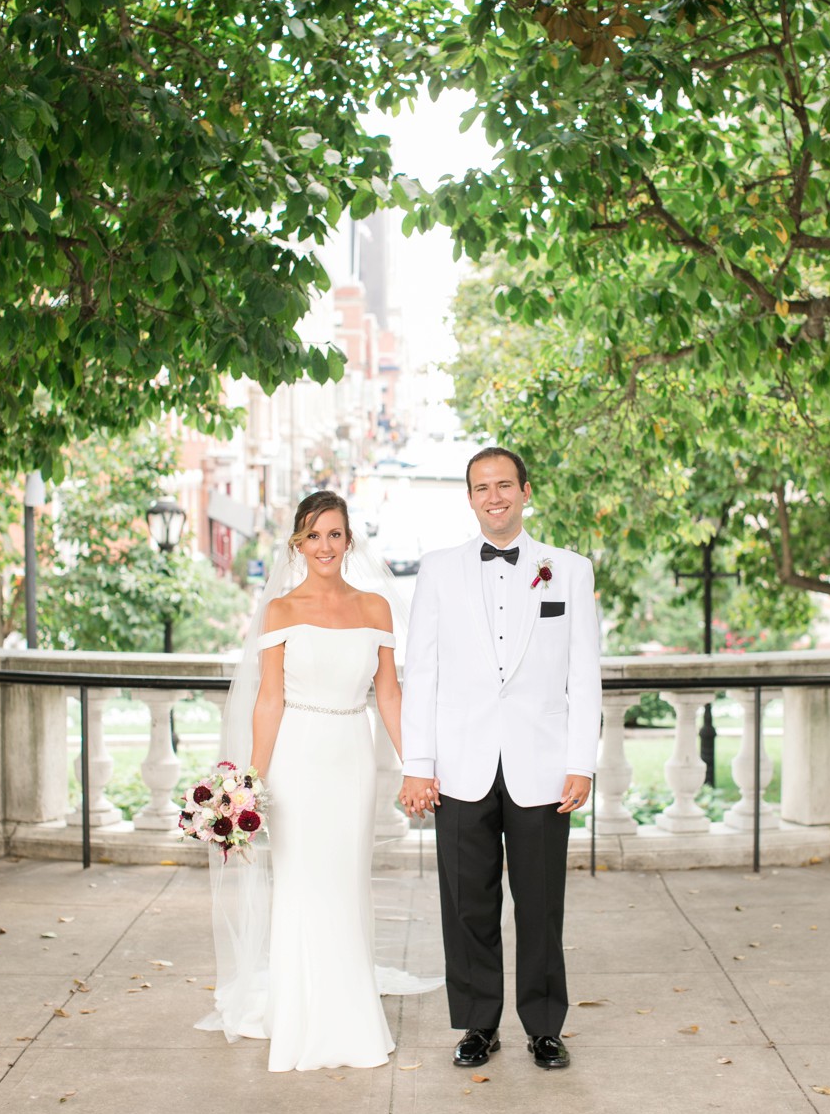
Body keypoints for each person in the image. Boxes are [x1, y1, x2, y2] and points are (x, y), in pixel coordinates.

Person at [198, 490, 427, 1072]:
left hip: (351, 754)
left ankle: (349, 1013)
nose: (325, 545)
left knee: (346, 882)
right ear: (297, 542)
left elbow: (390, 695)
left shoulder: (376, 608)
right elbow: (268, 700)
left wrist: (416, 765)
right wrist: (247, 784)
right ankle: (300, 1017)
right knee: (300, 884)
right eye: (313, 534)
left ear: (350, 540)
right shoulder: (279, 611)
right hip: (297, 759)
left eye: (335, 533)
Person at [399, 447, 602, 1071]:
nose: (494, 496)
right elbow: (423, 670)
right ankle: (477, 1025)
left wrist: (581, 762)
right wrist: (418, 762)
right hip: (460, 762)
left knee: (541, 903)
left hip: (542, 765)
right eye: (481, 487)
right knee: (467, 903)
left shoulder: (568, 569)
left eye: (504, 485)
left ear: (525, 490)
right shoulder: (437, 570)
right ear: (469, 498)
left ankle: (544, 1025)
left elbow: (584, 670)